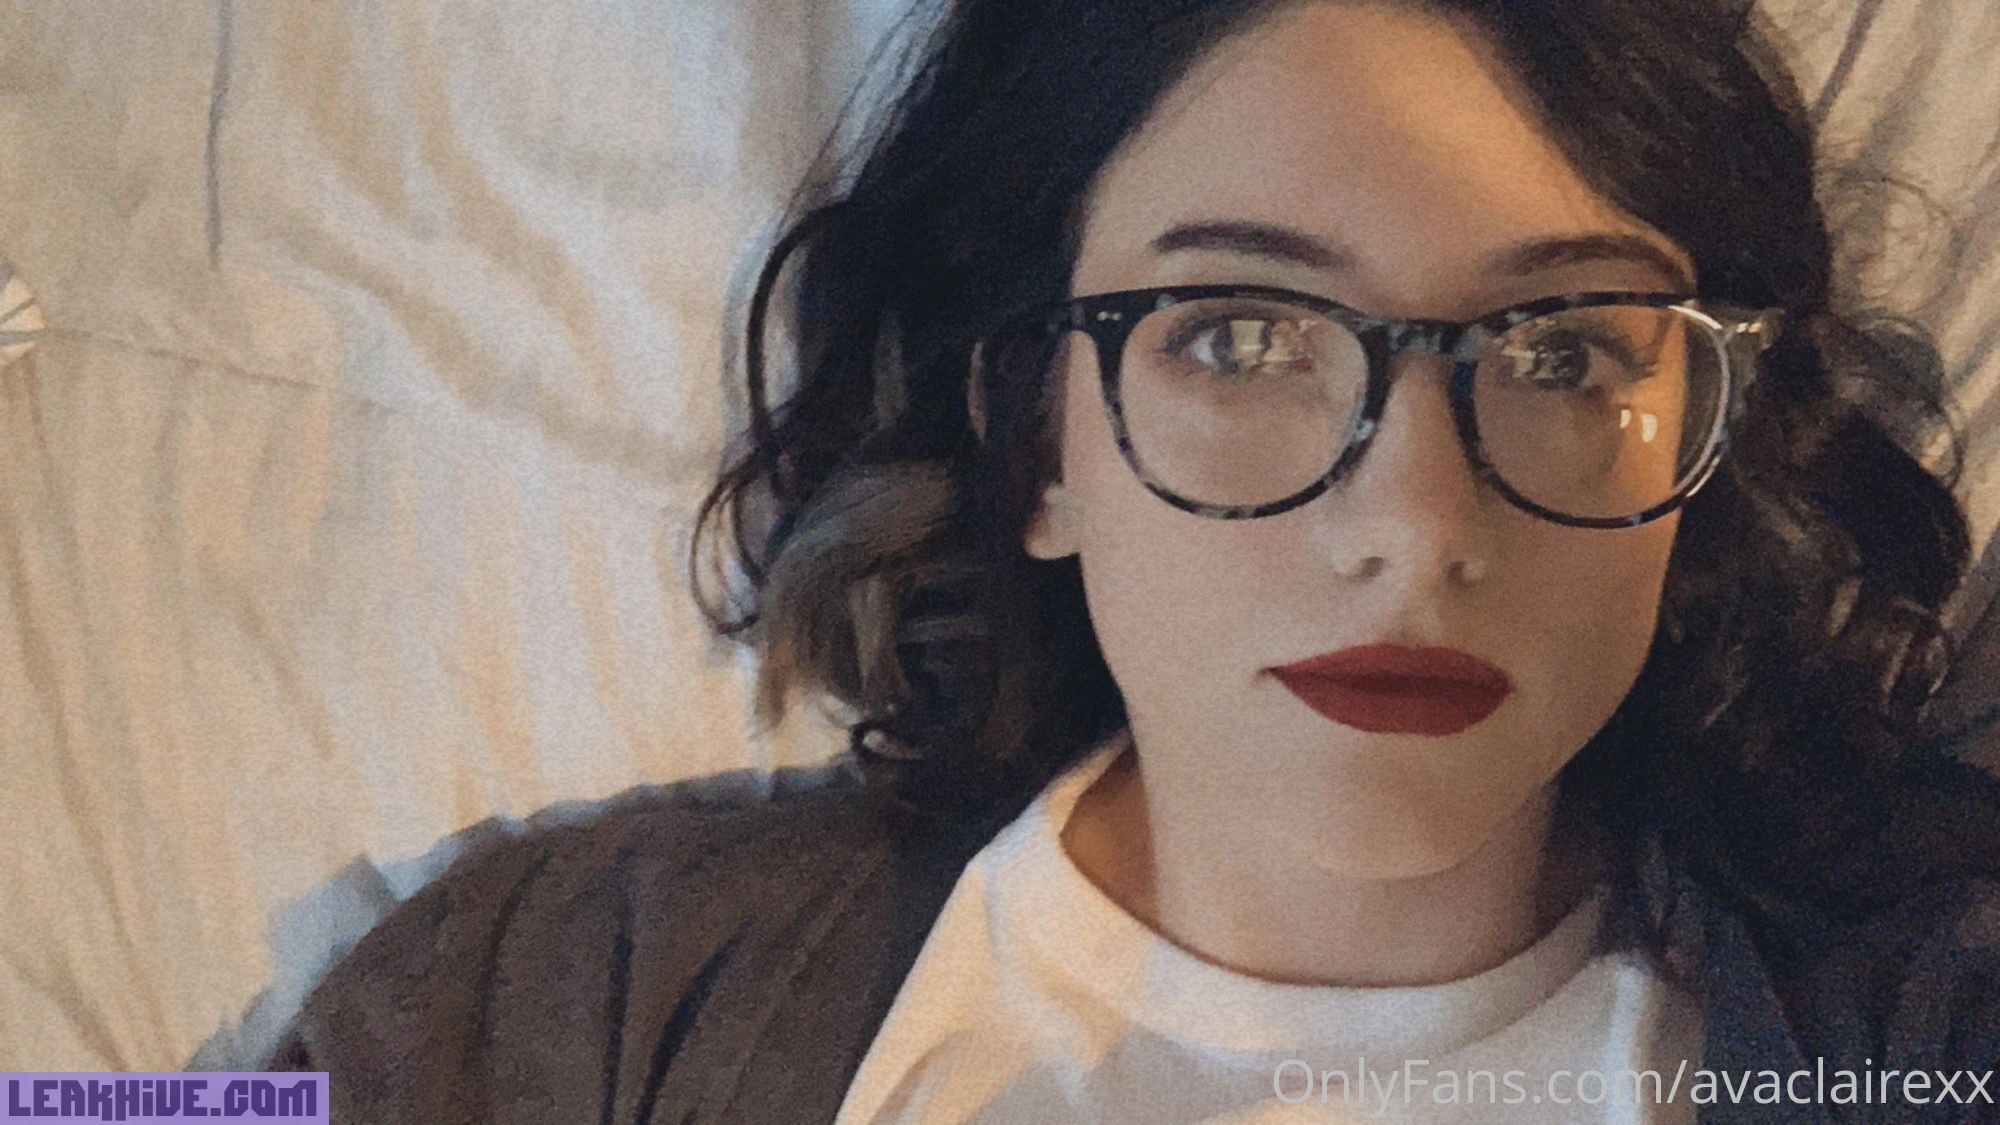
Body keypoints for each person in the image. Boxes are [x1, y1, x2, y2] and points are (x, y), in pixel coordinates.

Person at [271, 0, 2000, 1120]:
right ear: (1036, 449)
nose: (1413, 530)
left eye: (1561, 352)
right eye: (1240, 338)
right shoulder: (568, 987)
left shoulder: (1924, 1020)